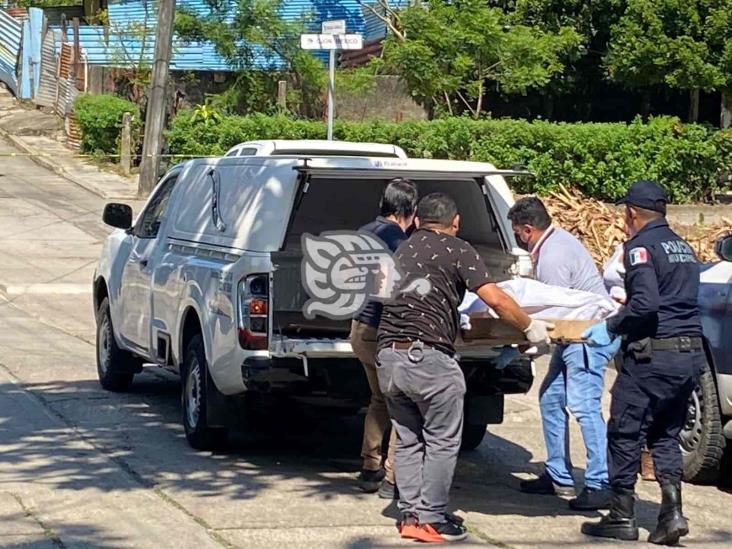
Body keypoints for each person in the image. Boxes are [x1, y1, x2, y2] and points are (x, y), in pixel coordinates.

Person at [376, 193, 553, 543]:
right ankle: (432, 517)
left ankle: (410, 514)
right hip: (426, 360)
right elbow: (495, 298)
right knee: (441, 440)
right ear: (455, 223)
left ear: (416, 221)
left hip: (389, 359)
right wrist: (529, 328)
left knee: (409, 439)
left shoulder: (405, 249)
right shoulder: (456, 249)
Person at [581, 180, 703, 545]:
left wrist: (612, 327)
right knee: (665, 433)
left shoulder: (640, 249)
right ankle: (671, 513)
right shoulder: (683, 247)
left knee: (624, 431)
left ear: (631, 213)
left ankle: (621, 515)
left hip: (652, 356)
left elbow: (646, 304)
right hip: (687, 356)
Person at [508, 197, 620, 511]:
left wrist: (526, 339)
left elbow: (553, 309)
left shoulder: (553, 255)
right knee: (550, 397)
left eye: (518, 233)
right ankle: (558, 474)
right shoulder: (555, 244)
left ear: (528, 230)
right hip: (572, 336)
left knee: (584, 406)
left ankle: (599, 482)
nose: (518, 239)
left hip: (585, 335)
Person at [352, 178, 418, 497]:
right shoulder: (396, 239)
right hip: (380, 330)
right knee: (395, 401)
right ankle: (384, 471)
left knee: (379, 398)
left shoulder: (365, 231)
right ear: (408, 210)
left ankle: (371, 465)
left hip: (359, 328)